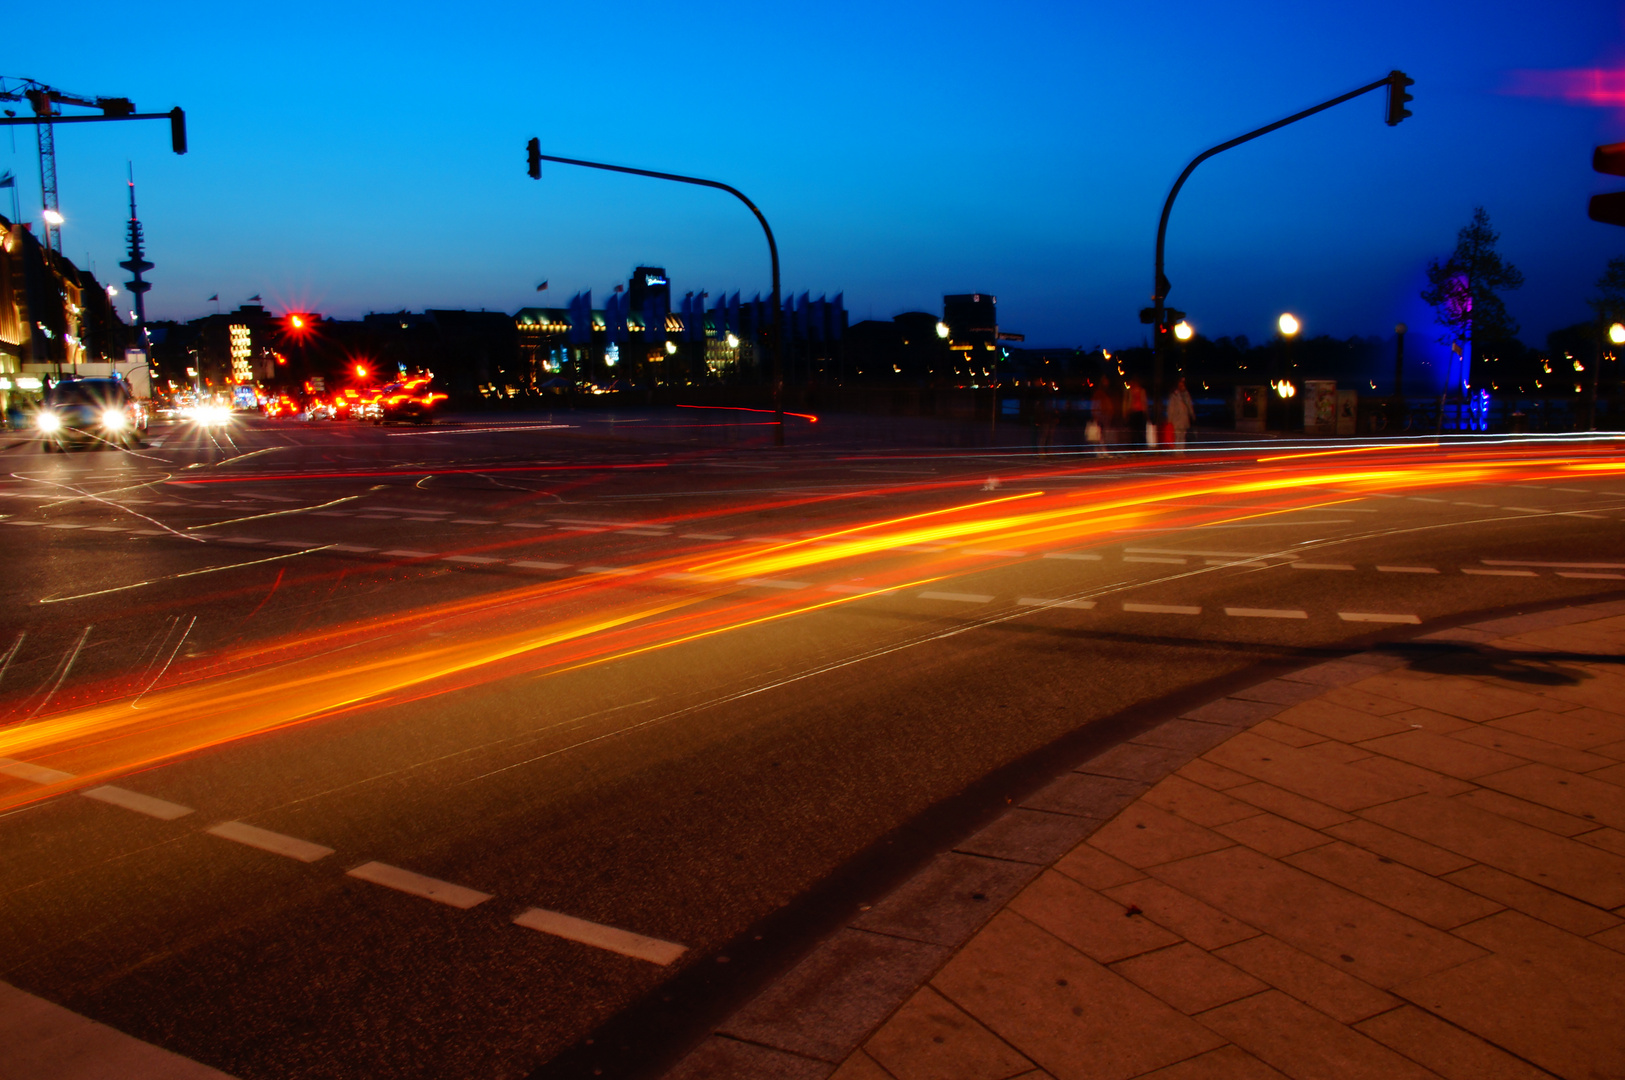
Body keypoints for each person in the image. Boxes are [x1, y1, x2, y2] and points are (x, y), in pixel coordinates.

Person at [1167, 377, 1195, 455]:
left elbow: (1189, 405)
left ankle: (1181, 451)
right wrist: (1170, 419)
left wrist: (1192, 415)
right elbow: (1171, 408)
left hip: (1184, 419)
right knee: (1177, 435)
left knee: (1182, 435)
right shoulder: (1174, 395)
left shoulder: (1186, 395)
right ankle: (1177, 451)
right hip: (1177, 419)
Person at [1125, 379, 1148, 448]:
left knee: (1135, 431)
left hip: (1135, 412)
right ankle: (1140, 446)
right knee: (1139, 431)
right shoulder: (1139, 390)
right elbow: (1144, 402)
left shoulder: (1131, 391)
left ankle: (1135, 446)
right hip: (1137, 412)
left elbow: (1128, 402)